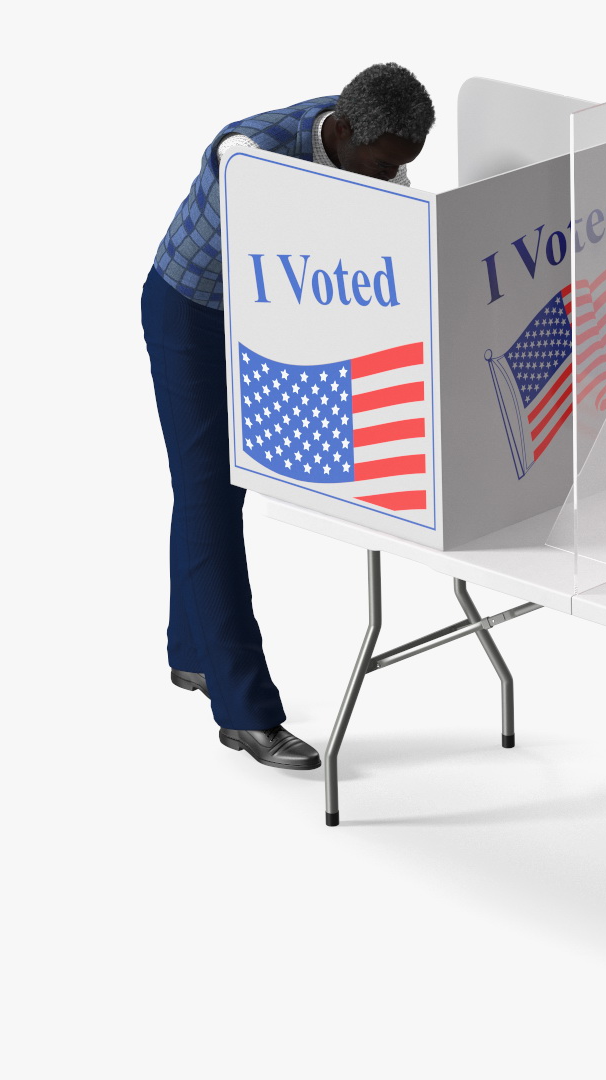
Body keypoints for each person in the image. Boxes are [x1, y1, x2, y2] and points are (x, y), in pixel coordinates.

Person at [143, 64, 434, 769]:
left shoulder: (369, 151)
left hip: (262, 317)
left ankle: (193, 653)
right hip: (192, 313)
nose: (386, 179)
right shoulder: (256, 155)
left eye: (400, 168)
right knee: (212, 492)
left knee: (212, 489)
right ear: (342, 130)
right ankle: (244, 712)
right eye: (380, 165)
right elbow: (244, 176)